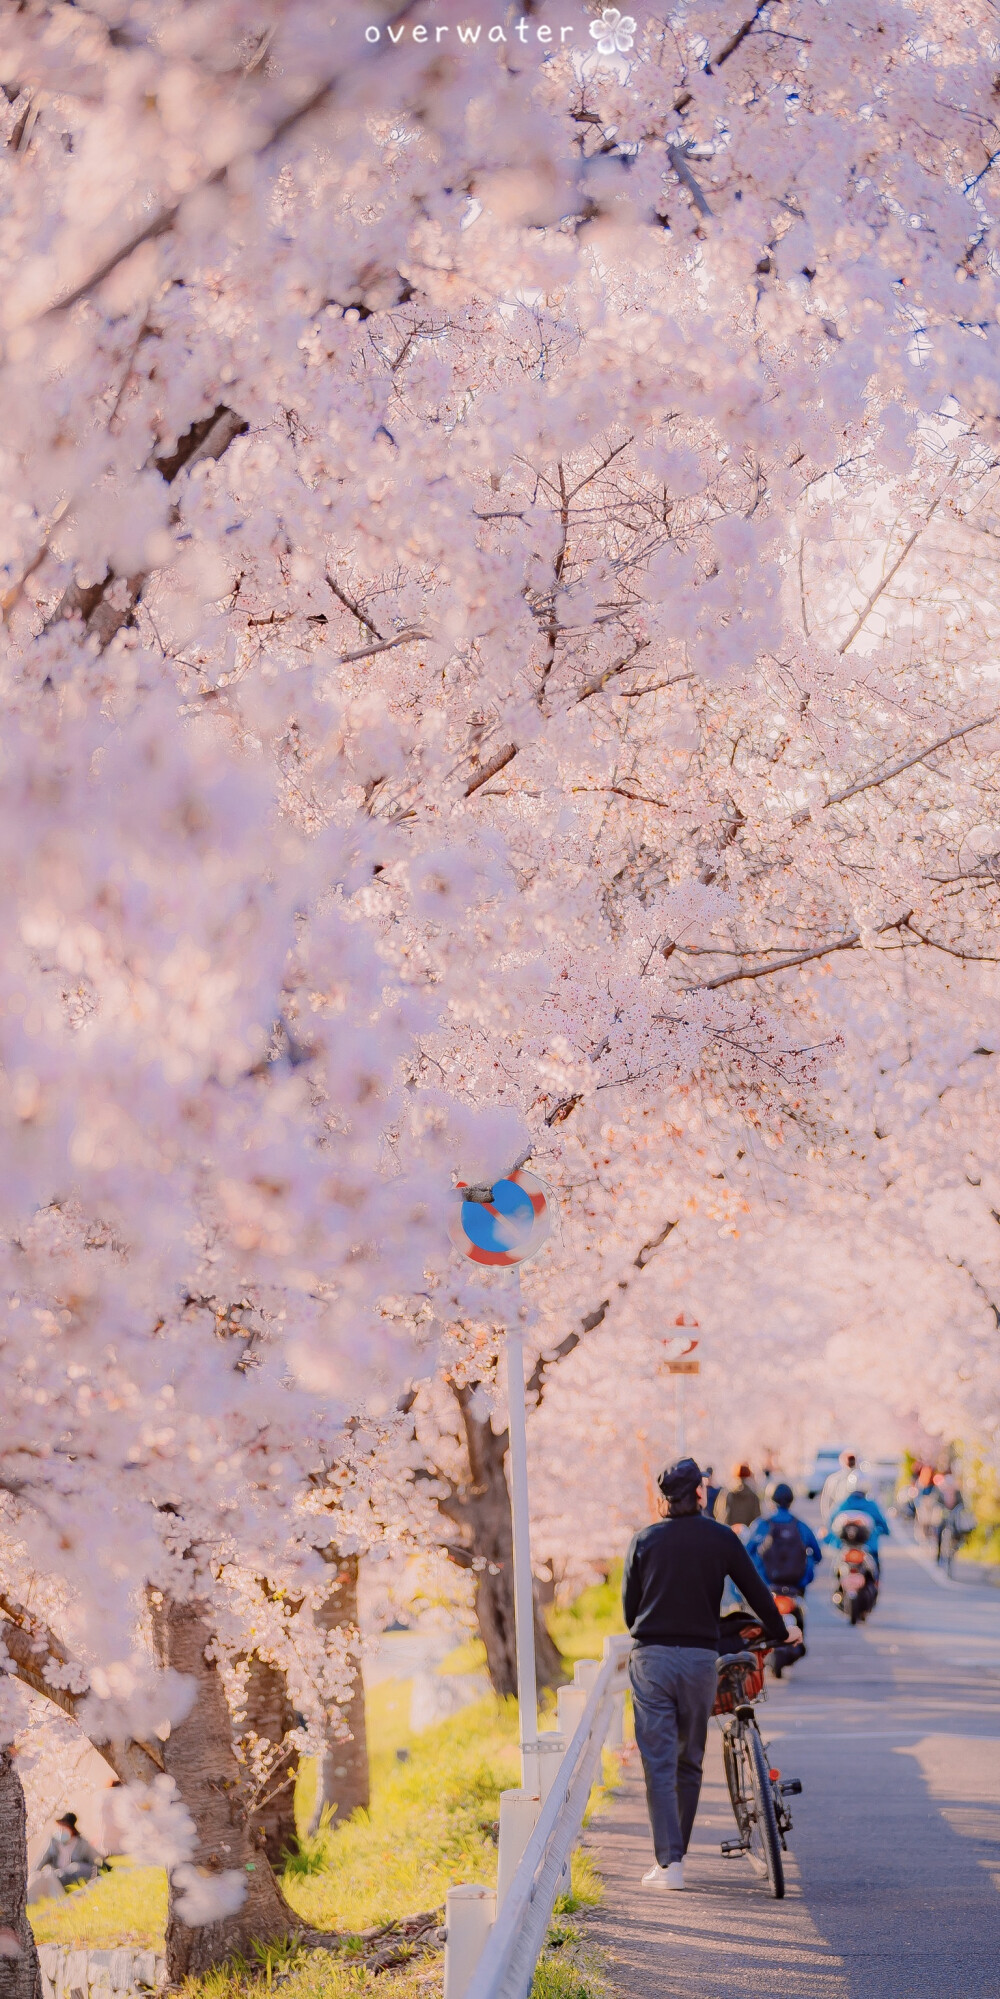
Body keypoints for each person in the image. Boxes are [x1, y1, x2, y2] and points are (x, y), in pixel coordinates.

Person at [622, 1456, 788, 1893]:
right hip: (699, 1661)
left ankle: (669, 1864)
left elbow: (628, 1612)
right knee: (689, 1759)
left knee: (657, 1761)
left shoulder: (644, 1540)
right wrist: (779, 1632)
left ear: (663, 1500)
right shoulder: (720, 1539)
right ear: (700, 1493)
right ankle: (676, 1856)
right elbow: (757, 1592)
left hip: (652, 1659)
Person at [745, 1482, 823, 1592]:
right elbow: (818, 1556)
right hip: (797, 1584)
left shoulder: (761, 1525)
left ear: (770, 1501)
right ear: (791, 1501)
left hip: (767, 1583)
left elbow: (747, 1552)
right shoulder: (801, 1526)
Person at [35, 1813, 104, 1889]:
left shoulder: (82, 1843)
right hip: (56, 1875)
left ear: (71, 1829)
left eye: (65, 1828)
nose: (61, 1831)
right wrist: (33, 1874)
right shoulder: (53, 1841)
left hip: (74, 1876)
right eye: (60, 1828)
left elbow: (95, 1858)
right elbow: (42, 1859)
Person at [825, 1483, 890, 1562]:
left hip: (843, 1545)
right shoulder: (871, 1505)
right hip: (868, 1546)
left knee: (837, 1561)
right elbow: (882, 1523)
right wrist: (884, 1531)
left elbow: (831, 1522)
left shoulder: (842, 1504)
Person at [713, 1463, 761, 1530]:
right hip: (746, 1535)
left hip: (728, 1533)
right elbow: (757, 1519)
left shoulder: (726, 1493)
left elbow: (720, 1514)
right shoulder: (753, 1496)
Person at [819, 1450, 859, 1524]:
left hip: (858, 1518)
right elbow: (827, 1501)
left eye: (852, 1459)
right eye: (849, 1459)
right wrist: (828, 1520)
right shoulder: (834, 1479)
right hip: (840, 1518)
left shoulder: (860, 1478)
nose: (850, 1461)